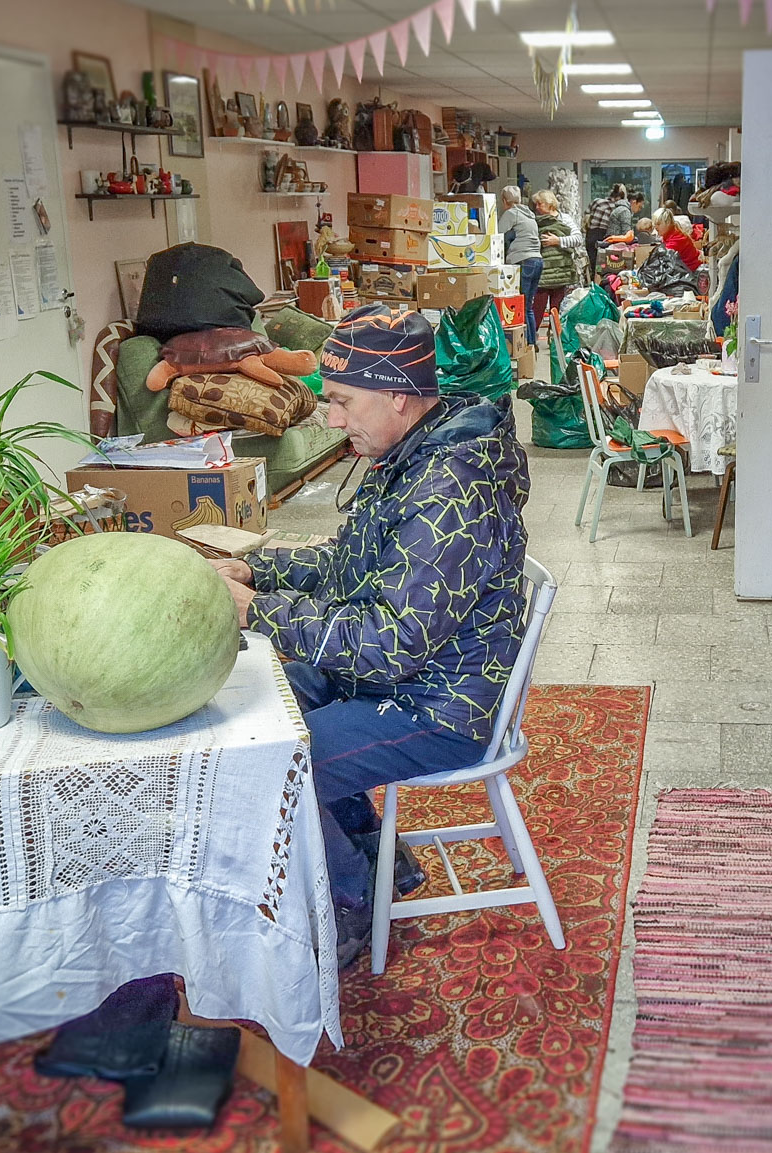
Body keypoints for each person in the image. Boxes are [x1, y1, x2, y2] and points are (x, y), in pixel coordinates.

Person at [213, 302, 531, 963]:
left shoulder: (449, 486)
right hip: (416, 677)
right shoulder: (417, 451)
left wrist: (258, 611)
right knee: (268, 702)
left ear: (397, 397)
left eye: (342, 402)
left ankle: (351, 901)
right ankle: (378, 862)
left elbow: (389, 645)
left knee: (271, 758)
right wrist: (256, 568)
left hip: (441, 705)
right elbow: (344, 564)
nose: (332, 419)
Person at [498, 185, 544, 344]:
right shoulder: (529, 214)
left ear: (504, 201)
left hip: (523, 261)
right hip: (537, 261)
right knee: (528, 306)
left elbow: (496, 234)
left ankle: (527, 345)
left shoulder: (511, 213)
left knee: (521, 306)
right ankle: (532, 344)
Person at [533, 189, 579, 327]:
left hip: (560, 271)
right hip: (544, 272)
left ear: (549, 204)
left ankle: (554, 338)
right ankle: (531, 340)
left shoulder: (565, 219)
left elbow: (577, 239)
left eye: (539, 204)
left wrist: (557, 241)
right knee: (538, 308)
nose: (536, 207)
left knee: (556, 309)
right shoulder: (535, 222)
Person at [584, 183, 631, 285]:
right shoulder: (616, 207)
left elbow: (586, 214)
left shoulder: (597, 201)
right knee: (601, 264)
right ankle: (598, 283)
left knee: (592, 261)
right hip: (602, 235)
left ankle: (591, 282)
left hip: (590, 233)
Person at [653, 206, 703, 271]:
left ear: (667, 223)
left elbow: (662, 260)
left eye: (658, 224)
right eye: (654, 224)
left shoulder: (677, 239)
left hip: (691, 274)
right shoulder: (671, 235)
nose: (655, 227)